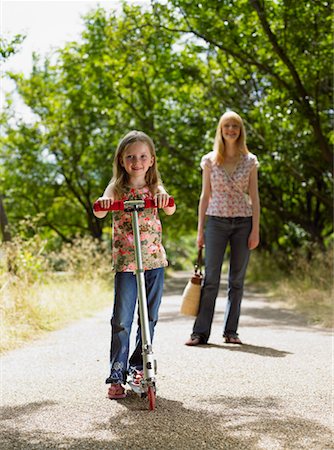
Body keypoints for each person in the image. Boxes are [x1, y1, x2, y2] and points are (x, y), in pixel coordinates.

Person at [94, 130, 176, 399]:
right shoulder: (116, 187)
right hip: (127, 263)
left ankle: (139, 367)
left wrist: (164, 200)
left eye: (142, 156)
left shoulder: (155, 187)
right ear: (121, 160)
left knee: (149, 317)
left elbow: (170, 207)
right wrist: (105, 202)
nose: (137, 161)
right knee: (122, 319)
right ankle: (117, 373)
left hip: (153, 262)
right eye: (130, 157)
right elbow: (101, 209)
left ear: (151, 160)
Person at [185, 111, 260, 346]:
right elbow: (204, 197)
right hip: (215, 222)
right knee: (212, 279)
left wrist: (255, 229)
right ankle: (200, 333)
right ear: (220, 129)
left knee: (236, 281)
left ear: (240, 131)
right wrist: (200, 231)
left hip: (243, 222)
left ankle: (231, 331)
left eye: (235, 126)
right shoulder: (209, 160)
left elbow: (255, 198)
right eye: (227, 126)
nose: (231, 130)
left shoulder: (250, 161)